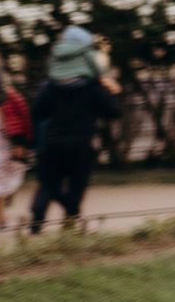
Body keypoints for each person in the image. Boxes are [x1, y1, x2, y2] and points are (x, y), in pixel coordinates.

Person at [28, 26, 120, 233]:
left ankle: (36, 222)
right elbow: (111, 112)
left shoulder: (49, 87)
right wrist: (112, 92)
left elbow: (37, 112)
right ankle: (70, 221)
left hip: (52, 141)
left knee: (48, 183)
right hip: (81, 143)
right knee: (77, 183)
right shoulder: (93, 87)